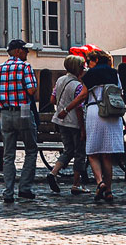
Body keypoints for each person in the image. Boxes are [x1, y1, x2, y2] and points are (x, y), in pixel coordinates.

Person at [68, 50, 124, 203]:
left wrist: (66, 109)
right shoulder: (114, 73)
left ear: (96, 60)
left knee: (92, 152)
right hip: (112, 112)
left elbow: (83, 95)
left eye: (89, 61)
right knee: (107, 154)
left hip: (95, 111)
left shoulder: (90, 75)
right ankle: (109, 192)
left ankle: (100, 182)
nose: (88, 65)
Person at [0, 38, 38, 204]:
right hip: (23, 111)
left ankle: (8, 192)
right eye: (25, 50)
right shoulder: (25, 67)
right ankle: (24, 188)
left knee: (8, 154)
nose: (27, 53)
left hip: (5, 114)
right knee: (31, 150)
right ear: (17, 51)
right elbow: (31, 89)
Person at [50, 54, 88, 196]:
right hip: (74, 123)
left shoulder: (60, 80)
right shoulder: (78, 86)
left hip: (60, 121)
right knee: (79, 153)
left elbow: (52, 99)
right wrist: (83, 128)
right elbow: (79, 108)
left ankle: (53, 172)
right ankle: (76, 184)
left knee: (68, 150)